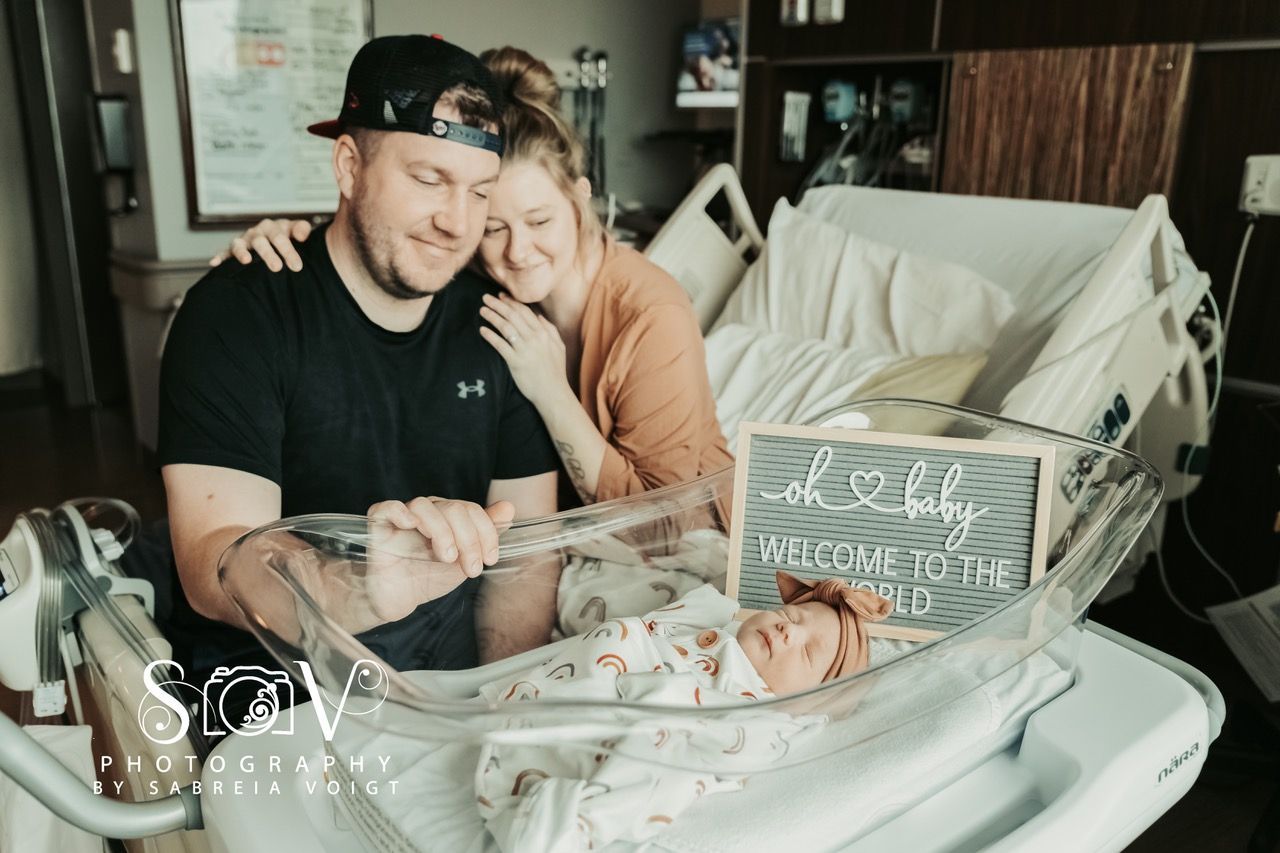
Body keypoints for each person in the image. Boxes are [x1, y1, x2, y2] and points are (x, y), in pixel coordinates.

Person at [156, 34, 561, 719]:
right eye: (429, 180)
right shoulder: (239, 314)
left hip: (446, 697)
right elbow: (212, 561)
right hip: (277, 696)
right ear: (349, 166)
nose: (456, 222)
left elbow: (527, 562)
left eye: (479, 192)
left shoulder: (499, 330)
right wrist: (358, 586)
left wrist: (497, 716)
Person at [212, 46, 733, 511]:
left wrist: (551, 391)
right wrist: (289, 236)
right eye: (493, 226)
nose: (518, 251)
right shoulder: (482, 277)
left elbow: (670, 525)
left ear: (580, 199)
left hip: (691, 549)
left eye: (540, 221)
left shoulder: (650, 315)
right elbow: (383, 233)